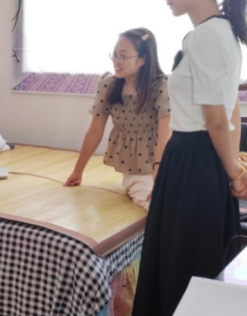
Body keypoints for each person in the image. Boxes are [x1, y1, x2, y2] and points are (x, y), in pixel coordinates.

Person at [131, 0, 247, 316]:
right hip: (200, 157)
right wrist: (231, 167)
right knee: (197, 253)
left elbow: (217, 119)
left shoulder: (205, 37)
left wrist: (235, 172)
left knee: (185, 256)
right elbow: (232, 111)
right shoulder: (223, 33)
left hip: (193, 157)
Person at [65, 28, 170, 210]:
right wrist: (77, 171)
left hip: (163, 164)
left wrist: (159, 173)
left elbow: (165, 135)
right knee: (156, 206)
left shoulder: (161, 86)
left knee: (181, 202)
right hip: (135, 170)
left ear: (143, 59)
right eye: (114, 55)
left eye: (123, 56)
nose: (117, 61)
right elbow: (95, 131)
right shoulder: (108, 85)